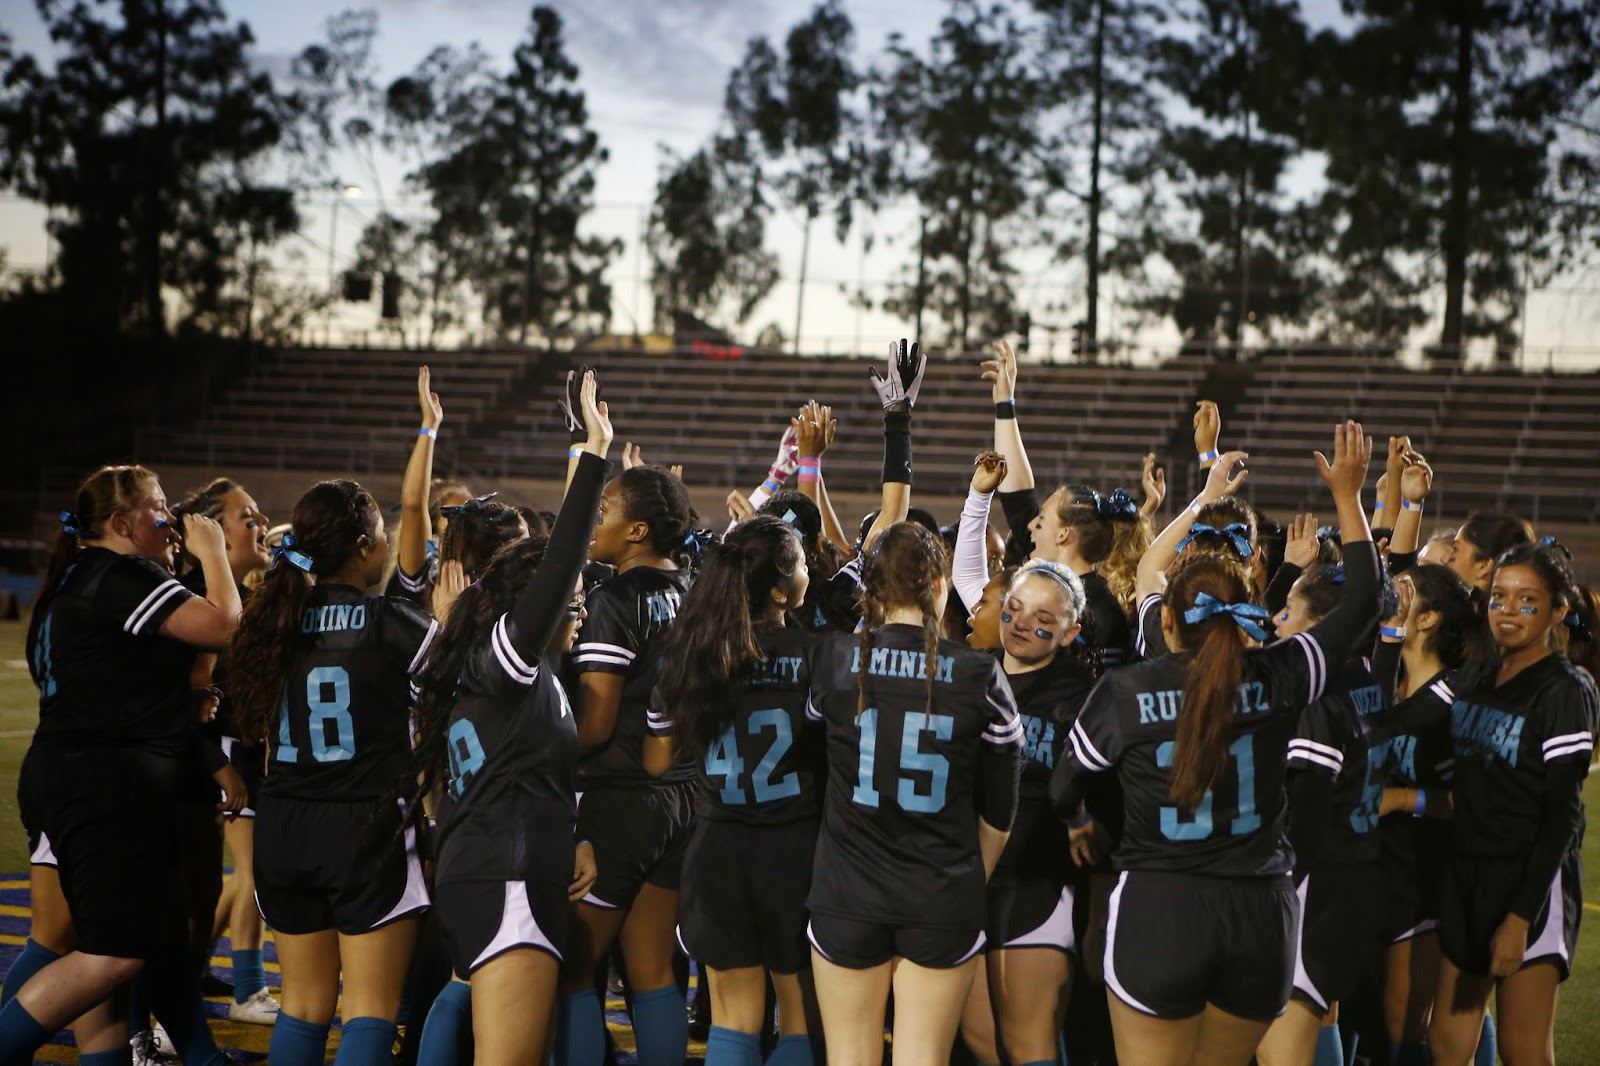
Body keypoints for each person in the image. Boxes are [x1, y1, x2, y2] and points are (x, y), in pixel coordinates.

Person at [1049, 421, 1382, 1066]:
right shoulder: (1283, 671)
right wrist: (1349, 496)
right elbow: (1365, 599)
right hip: (1260, 913)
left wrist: (1079, 820)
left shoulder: (1129, 686)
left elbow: (1065, 784)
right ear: (1250, 608)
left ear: (1170, 621)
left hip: (1160, 908)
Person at [0, 465, 243, 1066]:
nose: (171, 519)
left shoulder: (77, 577)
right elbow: (224, 626)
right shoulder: (123, 572)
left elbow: (99, 681)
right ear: (122, 523)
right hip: (103, 785)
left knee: (127, 948)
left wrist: (172, 703)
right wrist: (215, 552)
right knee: (112, 956)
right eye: (158, 507)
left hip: (86, 776)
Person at [410, 370, 612, 1066]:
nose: (576, 607)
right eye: (569, 602)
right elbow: (561, 563)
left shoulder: (461, 652)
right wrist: (594, 455)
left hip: (483, 865)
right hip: (510, 877)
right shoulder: (504, 659)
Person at [226, 478, 439, 1066]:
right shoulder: (390, 621)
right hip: (365, 828)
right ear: (364, 546)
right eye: (381, 537)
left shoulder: (272, 620)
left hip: (283, 824)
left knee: (302, 1005)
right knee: (369, 1009)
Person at [805, 517, 1024, 1066]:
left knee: (848, 1057)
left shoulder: (833, 659)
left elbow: (813, 767)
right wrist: (965, 879)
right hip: (941, 891)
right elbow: (1001, 811)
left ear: (871, 591)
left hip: (848, 889)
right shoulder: (978, 673)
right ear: (940, 586)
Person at [644, 515, 821, 1066]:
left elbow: (657, 761)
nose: (810, 571)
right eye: (803, 563)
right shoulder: (816, 653)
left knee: (732, 1019)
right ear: (780, 589)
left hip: (717, 848)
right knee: (798, 1015)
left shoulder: (688, 652)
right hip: (793, 850)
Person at [1427, 541, 1600, 1066]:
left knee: (1522, 1050)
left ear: (1557, 611)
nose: (1508, 610)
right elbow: (1406, 719)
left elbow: (1562, 816)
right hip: (1469, 873)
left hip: (1530, 883)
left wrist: (1519, 919)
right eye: (1499, 596)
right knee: (1445, 1043)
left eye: (1527, 600)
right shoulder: (1477, 674)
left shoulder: (1565, 689)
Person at [954, 455, 1096, 1066]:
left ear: (1070, 633)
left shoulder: (1083, 695)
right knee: (983, 1042)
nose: (1019, 626)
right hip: (965, 879)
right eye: (1013, 609)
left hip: (1037, 880)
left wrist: (1082, 818)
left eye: (1043, 621)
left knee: (1029, 1042)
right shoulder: (970, 675)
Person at [556, 461, 699, 1066]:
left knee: (574, 972)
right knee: (652, 969)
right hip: (683, 796)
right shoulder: (695, 589)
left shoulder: (614, 600)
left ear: (638, 531)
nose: (595, 522)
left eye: (606, 511)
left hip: (619, 797)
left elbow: (595, 726)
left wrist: (534, 749)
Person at [1255, 562, 1398, 1066]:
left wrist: (1273, 888)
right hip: (1353, 874)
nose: (1277, 619)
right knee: (1320, 1017)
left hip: (1313, 887)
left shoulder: (1319, 694)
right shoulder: (1366, 679)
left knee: (1281, 1048)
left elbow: (1308, 809)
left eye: (1290, 609)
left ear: (1324, 625)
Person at [171, 477, 281, 1025]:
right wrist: (218, 763)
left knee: (211, 891)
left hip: (224, 759)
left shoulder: (235, 593)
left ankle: (185, 998)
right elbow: (178, 702)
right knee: (239, 880)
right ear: (210, 531)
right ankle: (238, 991)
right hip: (203, 764)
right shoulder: (192, 598)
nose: (262, 522)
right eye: (247, 515)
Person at [982, 339, 1137, 667]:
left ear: (1064, 535)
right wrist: (1005, 404)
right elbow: (1017, 496)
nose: (1030, 524)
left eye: (1041, 520)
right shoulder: (1047, 567)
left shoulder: (1100, 610)